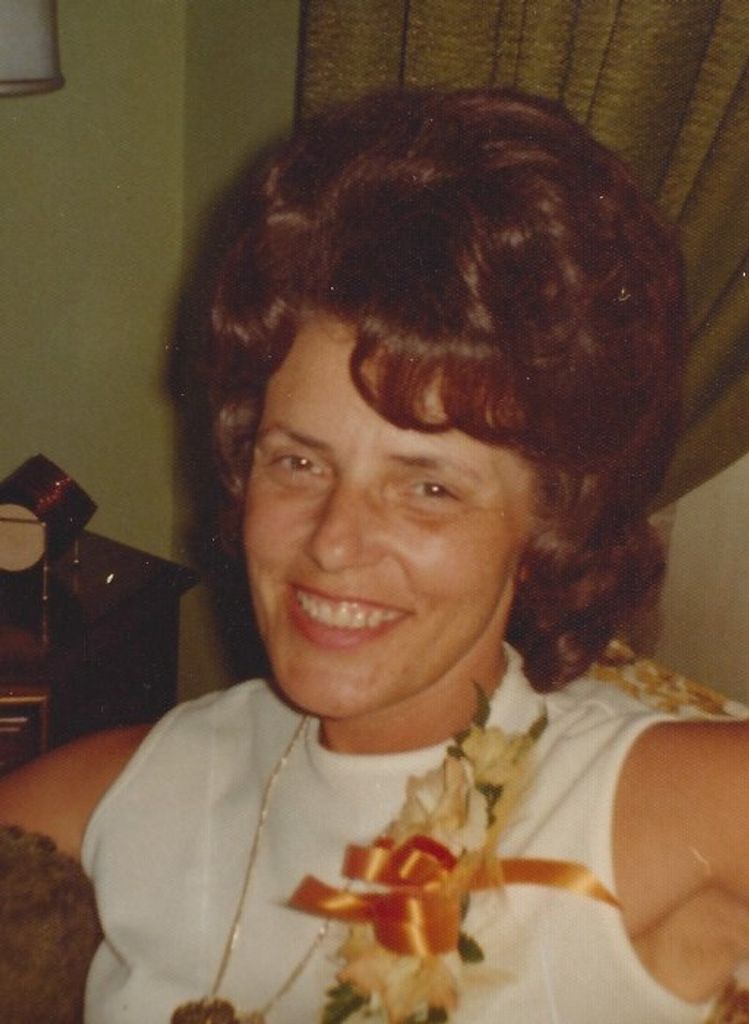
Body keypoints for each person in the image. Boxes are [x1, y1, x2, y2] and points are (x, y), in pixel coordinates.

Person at [1, 88, 747, 1024]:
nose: (332, 540)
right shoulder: (123, 786)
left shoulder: (650, 809)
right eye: (298, 462)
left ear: (548, 525)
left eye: (427, 486)